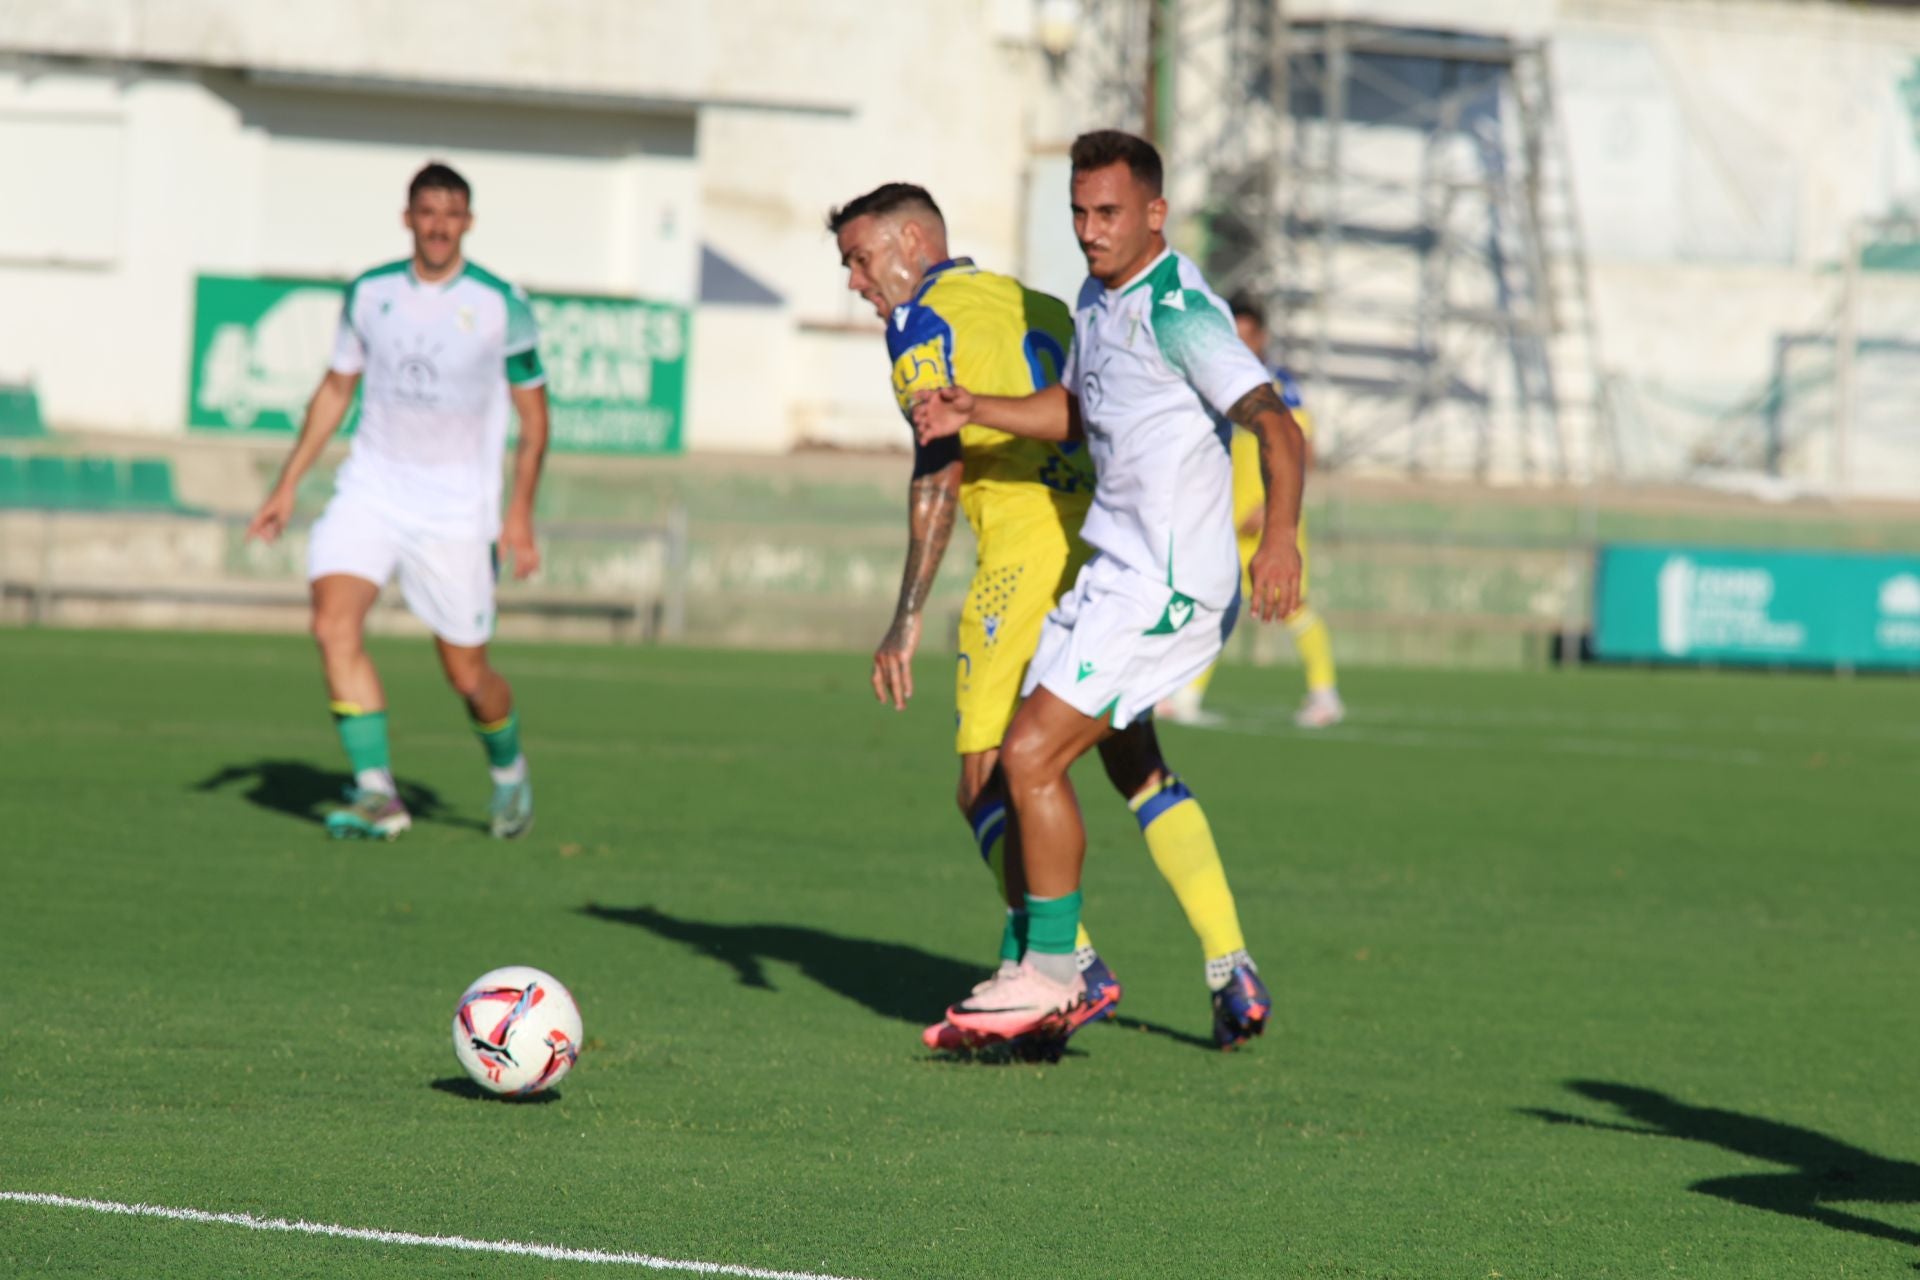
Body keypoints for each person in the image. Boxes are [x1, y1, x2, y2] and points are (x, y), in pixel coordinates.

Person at [831, 182, 1267, 1049]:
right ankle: (1230, 963)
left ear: (911, 240)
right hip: (1104, 552)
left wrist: (905, 615)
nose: (854, 281)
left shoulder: (919, 323)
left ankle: (1068, 959)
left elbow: (939, 463)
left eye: (859, 258)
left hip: (1022, 564)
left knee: (985, 779)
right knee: (1134, 762)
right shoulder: (1033, 300)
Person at [246, 161, 548, 841]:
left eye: (452, 214)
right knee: (332, 625)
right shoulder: (370, 294)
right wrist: (288, 482)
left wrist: (519, 513)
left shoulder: (502, 304)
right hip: (372, 491)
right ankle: (378, 792)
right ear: (407, 217)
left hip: (456, 512)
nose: (439, 226)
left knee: (468, 675)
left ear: (467, 223)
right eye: (427, 211)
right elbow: (334, 390)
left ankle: (507, 768)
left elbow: (535, 422)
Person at [1157, 293, 1344, 728]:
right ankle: (1186, 694)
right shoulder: (1215, 383)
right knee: (1212, 603)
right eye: (1232, 336)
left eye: (1247, 336)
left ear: (1261, 337)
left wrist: (1268, 509)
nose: (1240, 345)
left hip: (1272, 522)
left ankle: (1325, 693)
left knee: (1293, 608)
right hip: (1224, 520)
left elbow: (1302, 451)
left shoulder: (1280, 388)